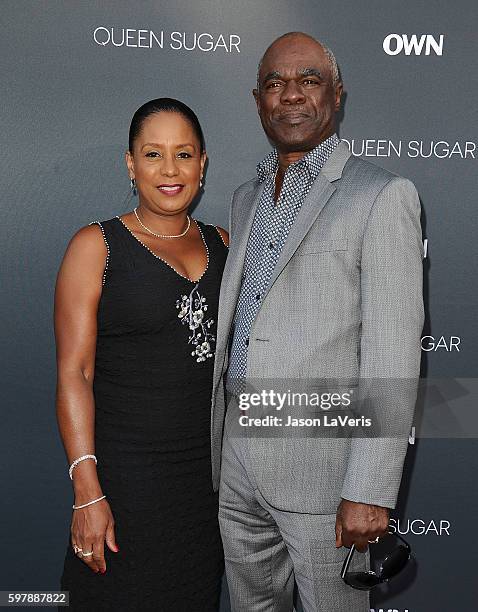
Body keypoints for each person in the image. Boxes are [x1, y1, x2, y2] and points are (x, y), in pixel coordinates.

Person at [211, 33, 424, 611]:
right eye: (275, 84)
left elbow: (393, 354)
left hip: (324, 475)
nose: (291, 96)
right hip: (237, 458)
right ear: (258, 99)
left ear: (336, 95)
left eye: (308, 80)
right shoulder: (244, 197)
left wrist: (368, 489)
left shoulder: (381, 196)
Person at [55, 98, 228, 611]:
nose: (170, 170)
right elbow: (74, 372)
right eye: (153, 154)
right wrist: (87, 491)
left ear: (203, 163)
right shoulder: (97, 246)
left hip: (206, 496)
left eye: (184, 154)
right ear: (130, 164)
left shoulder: (226, 245)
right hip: (122, 489)